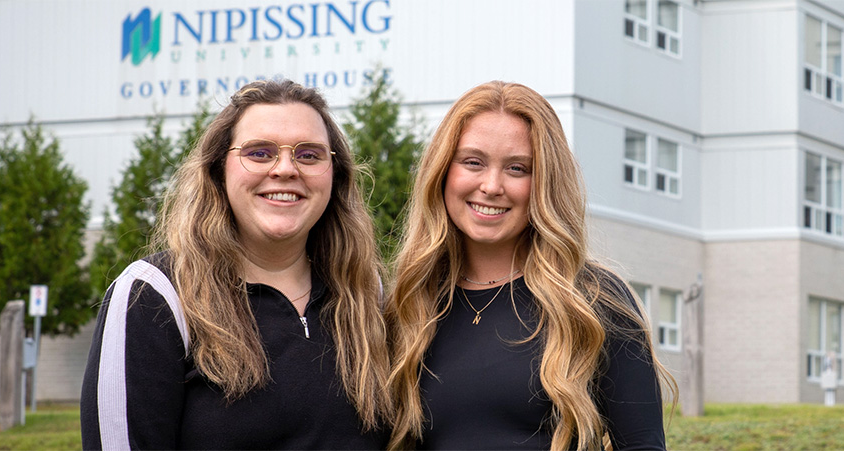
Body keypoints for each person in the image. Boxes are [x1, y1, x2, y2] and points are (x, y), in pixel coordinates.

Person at [80, 79, 392, 449]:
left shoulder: (367, 295)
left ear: (335, 175)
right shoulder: (155, 295)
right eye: (259, 153)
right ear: (219, 170)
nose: (286, 169)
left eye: (309, 155)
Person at [386, 80, 676, 450]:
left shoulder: (594, 301)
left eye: (517, 168)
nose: (492, 186)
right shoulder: (411, 304)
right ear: (442, 170)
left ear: (545, 183)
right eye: (473, 162)